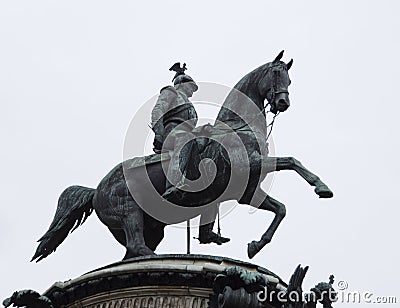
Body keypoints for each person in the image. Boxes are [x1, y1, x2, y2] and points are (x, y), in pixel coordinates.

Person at [150, 63, 229, 245]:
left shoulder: (188, 102)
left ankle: (206, 231)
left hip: (187, 133)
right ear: (181, 83)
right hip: (172, 132)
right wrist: (159, 132)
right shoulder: (170, 92)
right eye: (191, 87)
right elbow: (158, 111)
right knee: (187, 138)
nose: (193, 92)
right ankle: (174, 183)